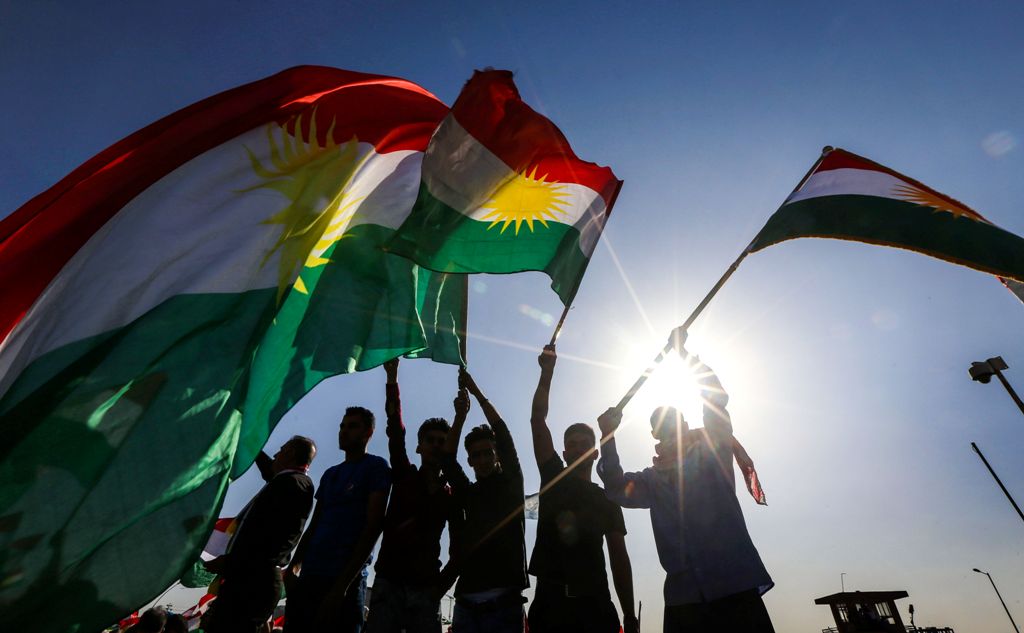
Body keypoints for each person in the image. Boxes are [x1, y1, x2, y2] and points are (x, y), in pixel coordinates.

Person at [597, 328, 775, 633]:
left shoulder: (713, 451)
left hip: (734, 585)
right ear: (653, 434)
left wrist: (685, 356)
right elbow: (614, 487)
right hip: (685, 599)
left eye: (672, 420)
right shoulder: (652, 480)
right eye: (660, 424)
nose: (667, 427)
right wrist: (608, 436)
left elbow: (716, 399)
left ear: (684, 421)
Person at [525, 345, 639, 633]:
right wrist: (547, 373)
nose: (577, 449)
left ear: (595, 453)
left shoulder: (608, 499)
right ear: (563, 453)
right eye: (572, 445)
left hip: (595, 607)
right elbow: (538, 420)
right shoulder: (553, 477)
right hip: (550, 607)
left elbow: (619, 558)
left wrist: (629, 614)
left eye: (585, 444)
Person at [365, 358, 457, 633]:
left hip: (426, 589)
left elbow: (460, 545)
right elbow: (395, 430)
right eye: (430, 440)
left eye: (442, 441)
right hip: (389, 583)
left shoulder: (451, 494)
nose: (436, 446)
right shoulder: (404, 475)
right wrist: (392, 380)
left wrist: (440, 586)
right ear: (419, 447)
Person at [285, 407, 391, 633]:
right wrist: (295, 564)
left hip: (345, 580)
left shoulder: (376, 467)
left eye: (352, 426)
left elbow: (373, 527)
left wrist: (341, 586)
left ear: (368, 433)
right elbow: (315, 524)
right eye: (342, 426)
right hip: (310, 575)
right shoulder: (330, 474)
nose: (343, 431)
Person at [439, 368, 527, 633]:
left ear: (497, 454)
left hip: (505, 604)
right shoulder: (468, 493)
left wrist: (475, 392)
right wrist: (460, 417)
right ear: (469, 460)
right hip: (466, 604)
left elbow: (503, 432)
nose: (483, 459)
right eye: (476, 455)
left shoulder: (512, 484)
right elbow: (447, 460)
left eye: (488, 452)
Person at [203, 436, 317, 633]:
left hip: (254, 582)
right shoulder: (289, 482)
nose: (275, 455)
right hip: (252, 577)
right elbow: (269, 470)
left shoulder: (293, 484)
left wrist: (229, 562)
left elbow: (264, 539)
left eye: (281, 450)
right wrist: (248, 441)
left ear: (290, 453)